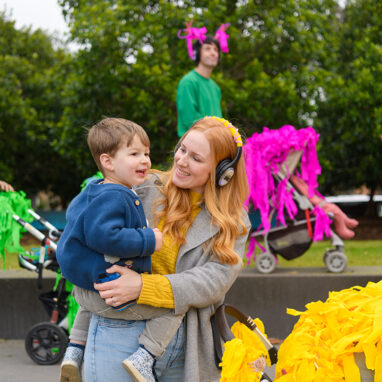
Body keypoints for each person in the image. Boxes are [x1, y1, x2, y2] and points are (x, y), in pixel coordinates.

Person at [72, 116, 252, 381]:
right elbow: (93, 228)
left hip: (189, 344)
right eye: (182, 149)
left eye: (196, 158)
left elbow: (214, 281)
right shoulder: (140, 187)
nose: (181, 160)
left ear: (223, 171)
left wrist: (144, 287)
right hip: (120, 328)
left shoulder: (235, 221)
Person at [57, 117, 188, 382]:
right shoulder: (116, 195)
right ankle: (146, 356)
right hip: (112, 284)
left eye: (146, 154)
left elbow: (77, 219)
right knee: (175, 305)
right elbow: (104, 236)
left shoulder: (95, 189)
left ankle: (74, 349)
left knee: (85, 303)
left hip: (89, 282)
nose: (145, 161)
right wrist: (148, 240)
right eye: (134, 154)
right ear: (107, 161)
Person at [176, 35, 223, 137]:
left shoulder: (216, 88)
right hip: (192, 147)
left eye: (216, 49)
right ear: (197, 53)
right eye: (207, 48)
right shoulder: (188, 82)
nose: (213, 53)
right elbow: (189, 120)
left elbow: (219, 120)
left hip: (214, 146)